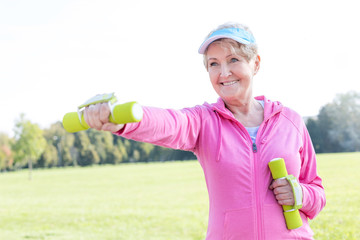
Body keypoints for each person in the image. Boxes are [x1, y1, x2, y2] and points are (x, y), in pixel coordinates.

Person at [84, 22, 326, 239]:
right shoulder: (204, 121)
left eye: (233, 60)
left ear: (256, 64)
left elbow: (317, 192)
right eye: (214, 64)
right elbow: (170, 122)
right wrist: (122, 120)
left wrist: (300, 194)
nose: (223, 73)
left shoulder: (289, 121)